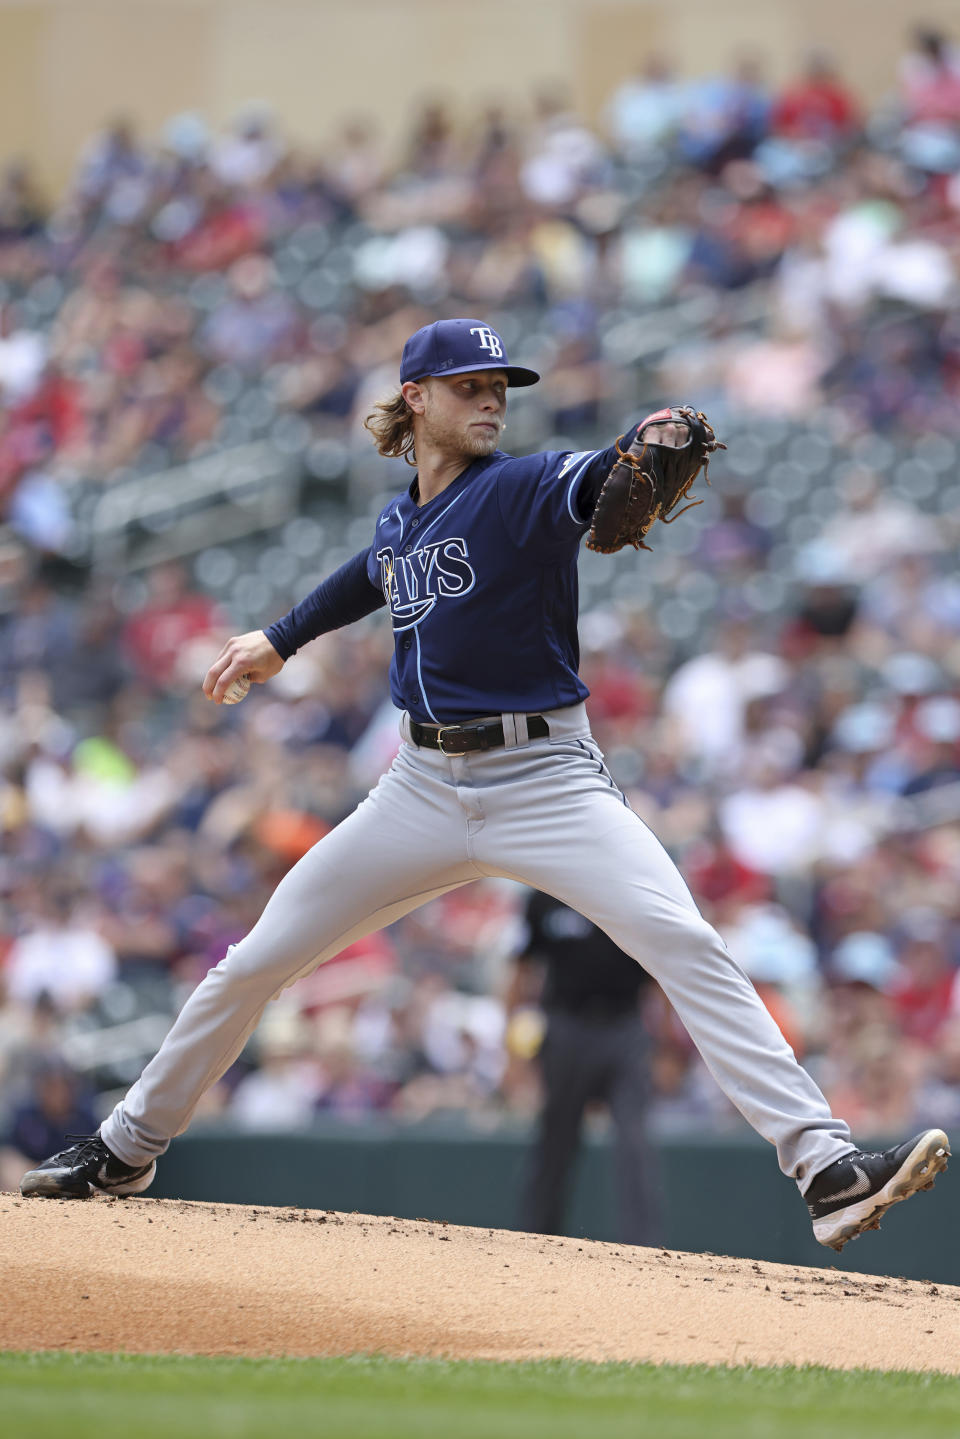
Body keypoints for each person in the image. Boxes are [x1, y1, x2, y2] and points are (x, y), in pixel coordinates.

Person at [21, 316, 949, 1253]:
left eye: (500, 385)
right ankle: (126, 1146)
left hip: (547, 778)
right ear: (416, 397)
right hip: (419, 786)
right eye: (471, 384)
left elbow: (592, 480)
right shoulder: (402, 515)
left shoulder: (521, 485)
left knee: (682, 939)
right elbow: (371, 572)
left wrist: (637, 455)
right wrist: (279, 638)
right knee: (256, 961)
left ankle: (826, 1167)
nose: (493, 399)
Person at [510, 889, 660, 1245]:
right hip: (566, 1027)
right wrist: (513, 1054)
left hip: (624, 1027)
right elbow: (521, 966)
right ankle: (535, 1241)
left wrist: (666, 1045)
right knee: (554, 1139)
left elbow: (659, 969)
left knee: (635, 1143)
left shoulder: (630, 890)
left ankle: (648, 1251)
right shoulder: (545, 894)